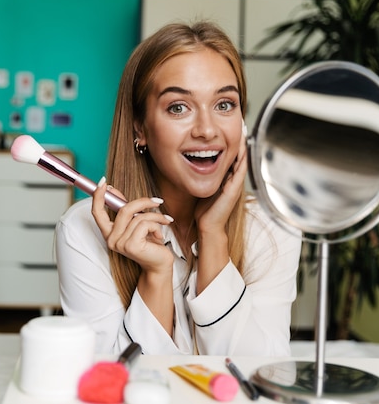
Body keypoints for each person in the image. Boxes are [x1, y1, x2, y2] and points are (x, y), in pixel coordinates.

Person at [55, 21, 302, 356]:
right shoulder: (82, 231)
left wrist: (214, 235)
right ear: (140, 128)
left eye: (224, 104)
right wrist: (156, 274)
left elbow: (258, 375)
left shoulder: (274, 229)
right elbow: (116, 383)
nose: (206, 130)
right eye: (178, 107)